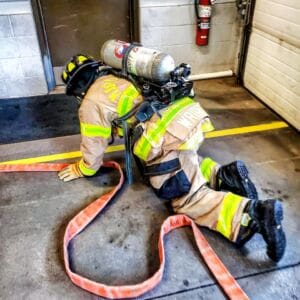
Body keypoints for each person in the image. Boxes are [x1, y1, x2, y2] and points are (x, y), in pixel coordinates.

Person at [58, 54, 286, 262]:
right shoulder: (119, 76)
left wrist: (84, 169)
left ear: (77, 88)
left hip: (165, 136)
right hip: (186, 117)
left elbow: (94, 146)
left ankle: (250, 214)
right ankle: (225, 175)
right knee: (185, 161)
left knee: (185, 197)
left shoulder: (90, 103)